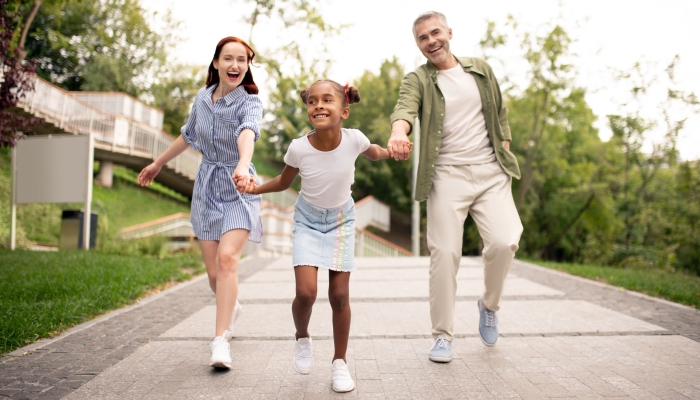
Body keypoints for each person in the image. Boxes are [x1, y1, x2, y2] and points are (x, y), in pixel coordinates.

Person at [387, 11, 523, 362]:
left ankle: (488, 305)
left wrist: (504, 144)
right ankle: (443, 336)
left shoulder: (479, 68)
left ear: (449, 32)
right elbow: (403, 111)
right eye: (422, 38)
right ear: (418, 45)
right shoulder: (418, 79)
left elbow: (500, 110)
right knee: (445, 254)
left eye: (436, 33)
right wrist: (398, 133)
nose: (431, 41)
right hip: (446, 176)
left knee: (505, 242)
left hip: (491, 174)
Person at [248, 80, 391, 392]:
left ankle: (340, 363)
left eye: (327, 100)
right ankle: (302, 336)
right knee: (306, 293)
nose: (319, 106)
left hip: (341, 220)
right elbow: (284, 182)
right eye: (312, 102)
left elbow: (376, 153)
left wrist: (393, 150)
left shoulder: (354, 140)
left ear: (344, 111)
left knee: (339, 296)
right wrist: (254, 188)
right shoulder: (298, 148)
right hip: (308, 220)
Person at [137, 36, 262, 369]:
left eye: (242, 60)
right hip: (207, 188)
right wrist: (158, 163)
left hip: (238, 186)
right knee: (212, 275)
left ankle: (220, 340)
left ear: (247, 66)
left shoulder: (249, 102)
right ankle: (230, 305)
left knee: (226, 261)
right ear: (216, 63)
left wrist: (240, 164)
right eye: (228, 58)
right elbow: (188, 135)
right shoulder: (202, 99)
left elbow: (247, 133)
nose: (235, 65)